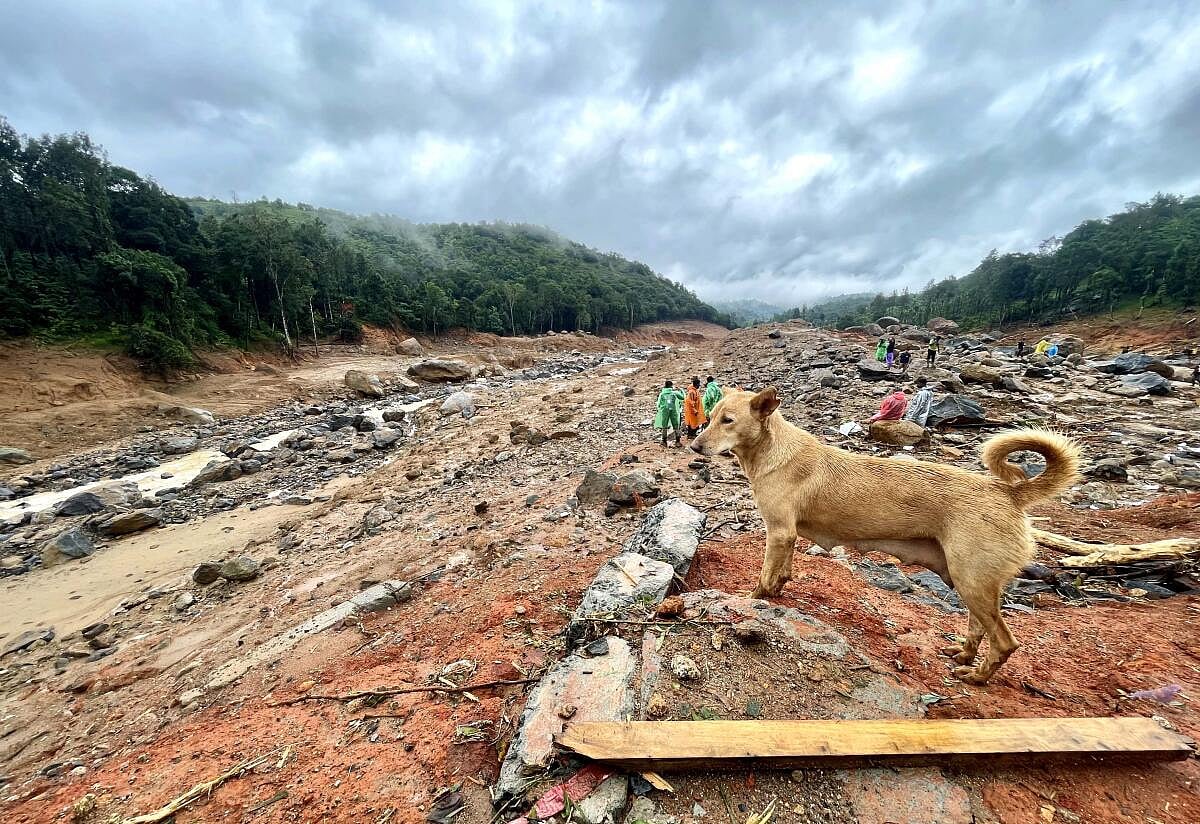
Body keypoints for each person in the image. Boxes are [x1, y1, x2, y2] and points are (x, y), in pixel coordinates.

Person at [655, 380, 685, 447]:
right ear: (671, 386)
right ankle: (678, 441)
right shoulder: (674, 393)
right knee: (676, 425)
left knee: (664, 425)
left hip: (664, 411)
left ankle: (664, 441)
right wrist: (682, 390)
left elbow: (658, 404)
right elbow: (683, 398)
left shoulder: (662, 394)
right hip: (673, 410)